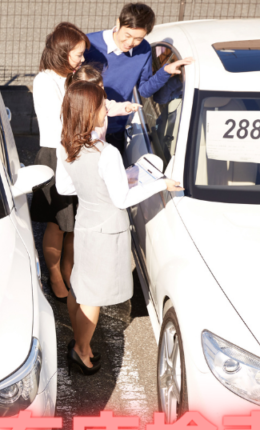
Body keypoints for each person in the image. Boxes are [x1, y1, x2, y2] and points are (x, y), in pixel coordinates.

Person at [55, 81, 182, 375]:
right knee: (93, 297)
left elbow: (64, 187)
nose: (107, 110)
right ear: (89, 111)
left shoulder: (66, 145)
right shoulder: (106, 152)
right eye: (102, 105)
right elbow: (122, 199)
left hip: (85, 223)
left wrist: (99, 185)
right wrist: (160, 184)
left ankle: (79, 341)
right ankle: (81, 350)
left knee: (80, 286)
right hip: (107, 231)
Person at [31, 23, 142, 301]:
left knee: (74, 222)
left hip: (80, 151)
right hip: (59, 154)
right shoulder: (45, 81)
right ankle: (54, 275)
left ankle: (69, 272)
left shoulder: (72, 77)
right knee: (58, 223)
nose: (82, 59)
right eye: (78, 54)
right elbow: (64, 121)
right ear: (62, 51)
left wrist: (114, 108)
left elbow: (93, 105)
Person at [83, 2, 193, 153]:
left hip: (116, 128)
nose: (130, 43)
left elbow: (145, 90)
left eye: (138, 38)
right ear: (118, 23)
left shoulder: (144, 49)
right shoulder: (90, 44)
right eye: (127, 35)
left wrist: (165, 71)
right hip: (85, 127)